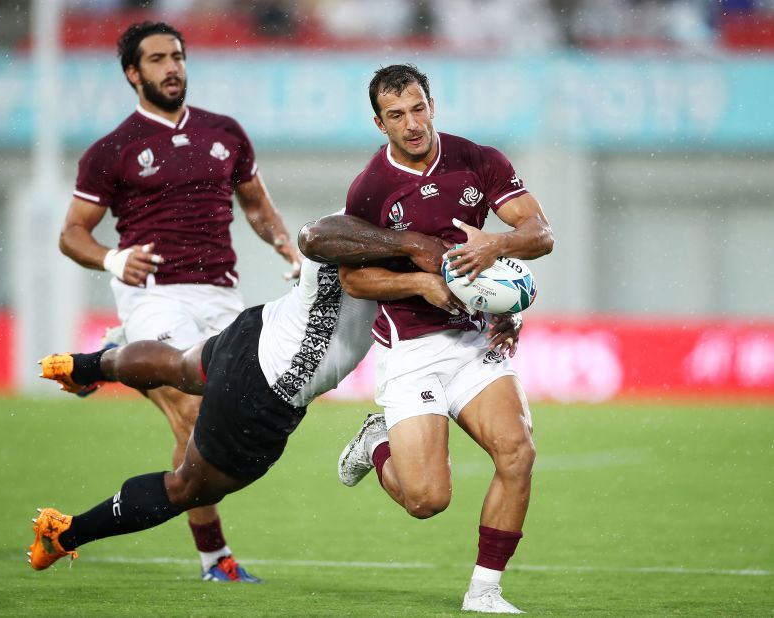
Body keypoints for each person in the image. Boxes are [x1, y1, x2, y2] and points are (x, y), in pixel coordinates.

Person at [28, 215, 524, 583]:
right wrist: (413, 250)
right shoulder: (367, 230)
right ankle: (66, 533)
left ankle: (84, 366)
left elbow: (482, 283)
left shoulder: (397, 228)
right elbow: (313, 237)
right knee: (187, 489)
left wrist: (502, 310)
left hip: (256, 333)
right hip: (264, 395)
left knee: (180, 365)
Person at [57, 21, 303, 582]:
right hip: (154, 293)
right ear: (132, 73)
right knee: (192, 409)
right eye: (159, 59)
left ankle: (122, 353)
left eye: (178, 57)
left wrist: (285, 244)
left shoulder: (226, 133)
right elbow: (71, 234)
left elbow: (257, 207)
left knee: (224, 418)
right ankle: (216, 559)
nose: (173, 67)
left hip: (221, 294)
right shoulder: (112, 150)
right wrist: (112, 260)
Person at [335, 64, 554, 614]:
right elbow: (354, 279)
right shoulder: (370, 189)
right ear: (378, 122)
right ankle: (374, 443)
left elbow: (541, 234)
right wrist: (418, 283)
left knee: (518, 452)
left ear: (432, 105)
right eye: (396, 115)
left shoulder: (479, 160)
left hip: (475, 342)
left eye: (417, 108)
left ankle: (485, 591)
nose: (411, 124)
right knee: (427, 500)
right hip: (411, 348)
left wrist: (495, 246)